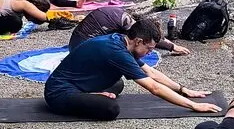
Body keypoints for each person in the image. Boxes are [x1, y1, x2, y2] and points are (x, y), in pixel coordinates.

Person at [44, 16, 222, 121]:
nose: (148, 53)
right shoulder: (117, 52)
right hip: (59, 93)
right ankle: (89, 96)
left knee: (117, 84)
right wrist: (193, 106)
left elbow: (150, 72)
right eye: (149, 49)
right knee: (110, 109)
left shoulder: (121, 41)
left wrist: (184, 90)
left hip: (76, 83)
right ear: (138, 41)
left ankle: (90, 94)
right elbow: (153, 87)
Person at [69, 6, 191, 57]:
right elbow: (148, 38)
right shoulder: (126, 21)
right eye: (149, 49)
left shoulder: (121, 15)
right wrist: (172, 47)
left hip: (75, 44)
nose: (149, 51)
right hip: (82, 48)